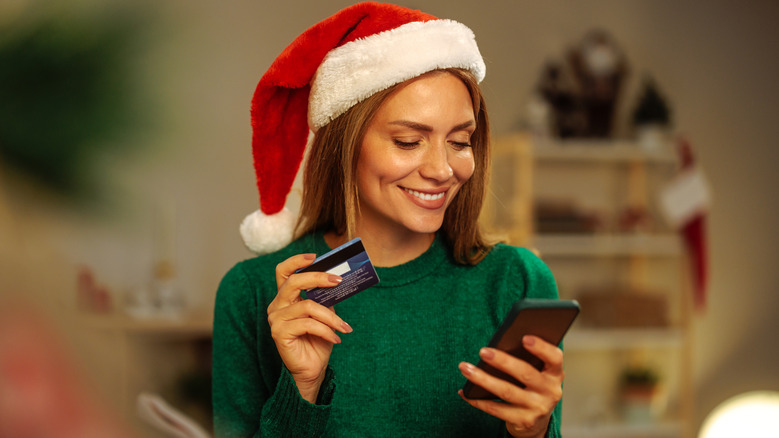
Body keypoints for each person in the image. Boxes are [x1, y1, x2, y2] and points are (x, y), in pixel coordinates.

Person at [212, 3, 563, 437]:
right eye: (409, 140)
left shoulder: (515, 280)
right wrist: (303, 389)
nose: (441, 169)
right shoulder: (252, 291)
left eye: (460, 140)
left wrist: (535, 431)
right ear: (345, 144)